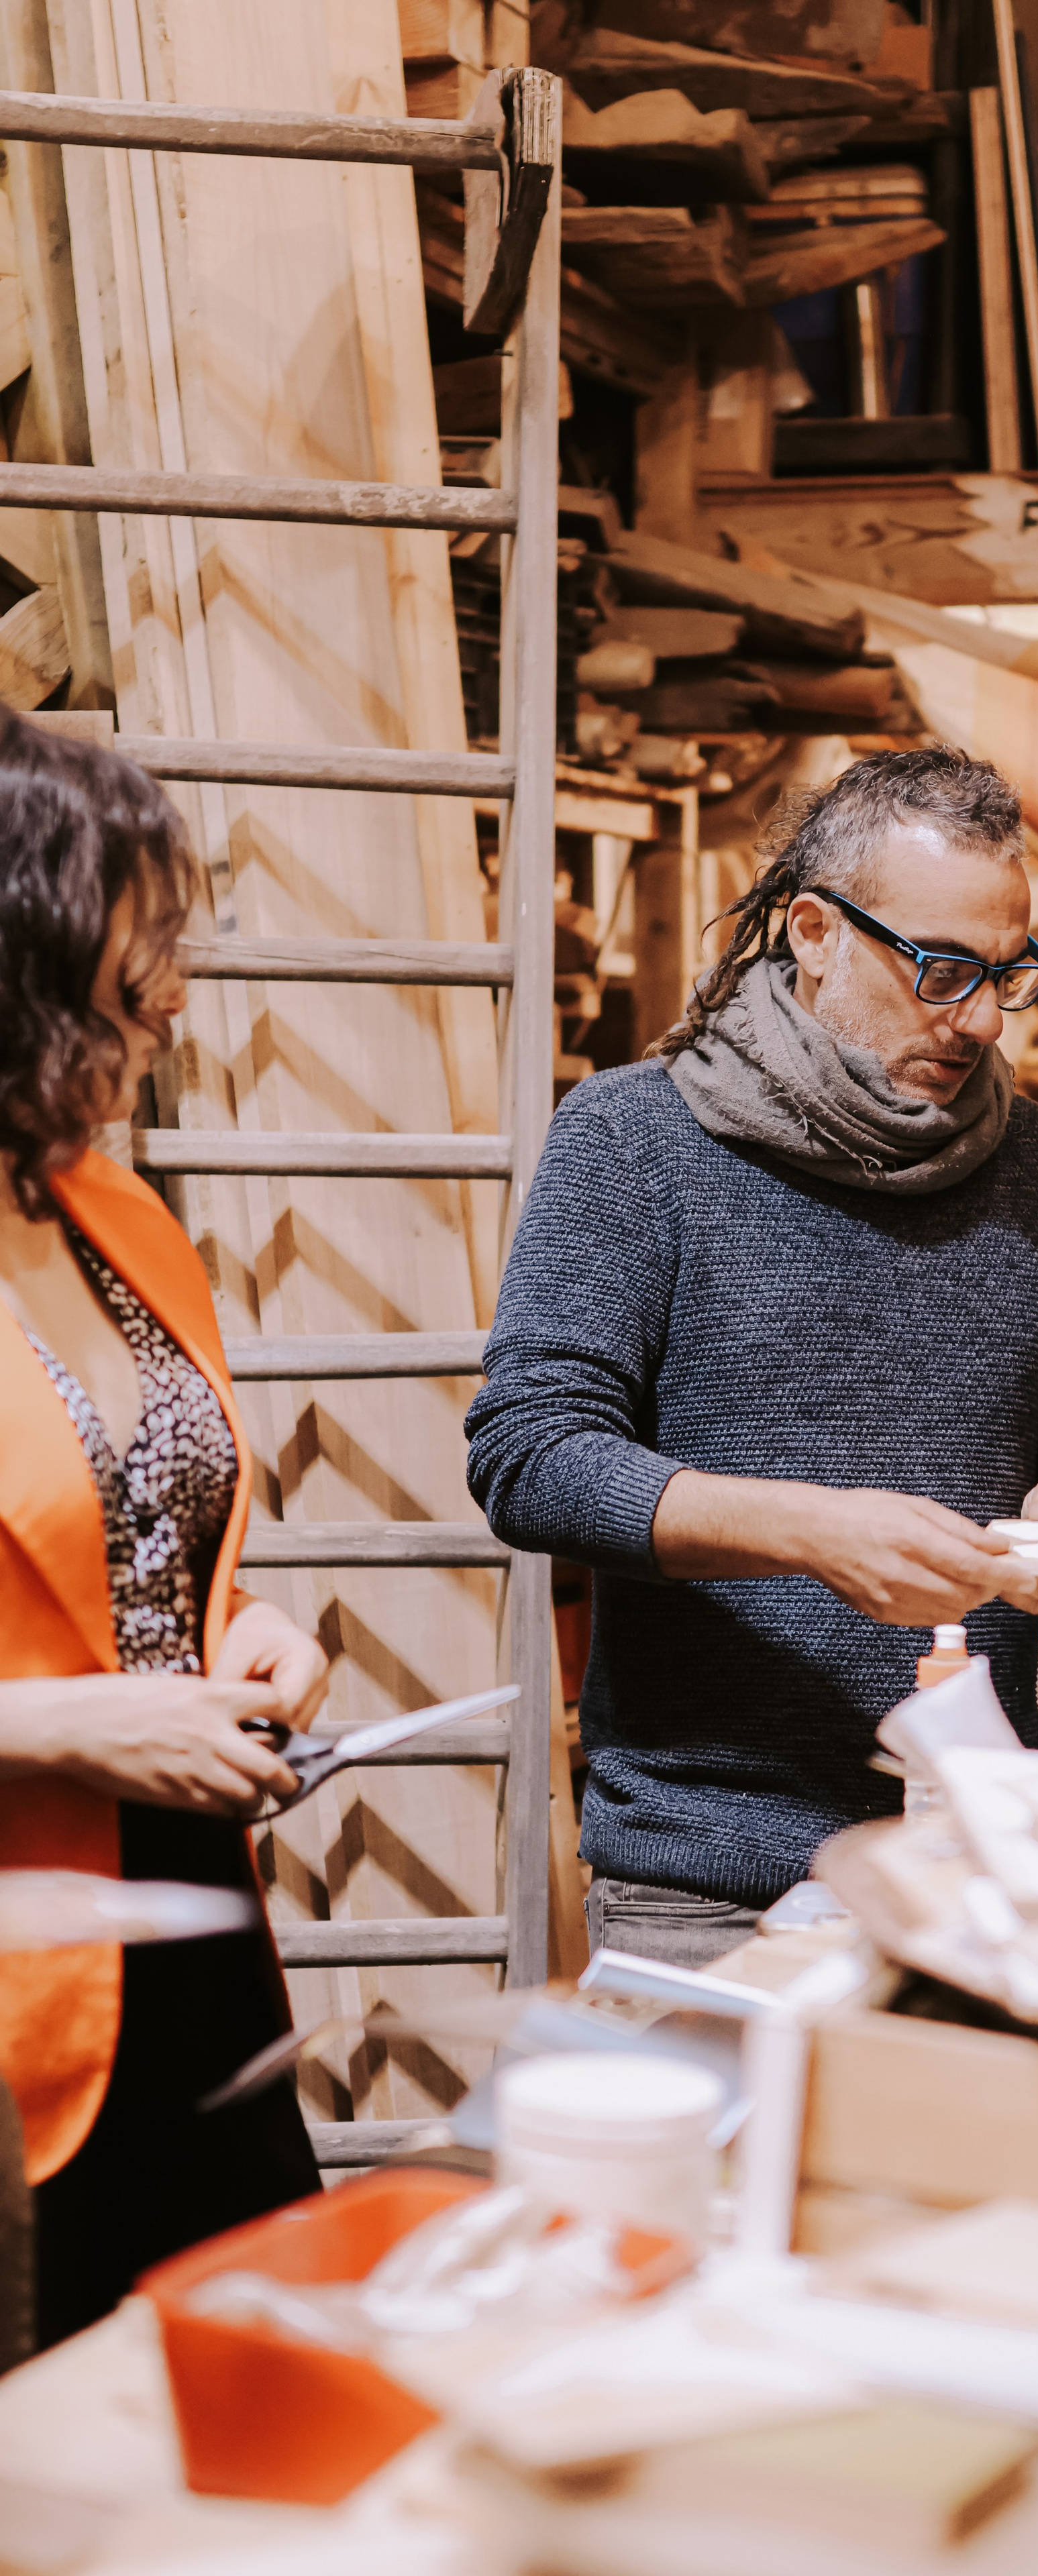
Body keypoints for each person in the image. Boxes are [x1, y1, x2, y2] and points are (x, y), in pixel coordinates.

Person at [468, 746, 1038, 1968]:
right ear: (813, 932)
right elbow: (531, 1456)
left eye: (1010, 974)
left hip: (972, 1860)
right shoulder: (637, 1141)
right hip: (710, 1883)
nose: (982, 1019)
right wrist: (813, 1534)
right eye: (943, 971)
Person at [0, 714, 327, 2349]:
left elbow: (136, 1534)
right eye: (140, 956)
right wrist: (73, 1727)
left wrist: (236, 1629)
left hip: (192, 1942)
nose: (178, 1000)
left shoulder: (110, 1208)